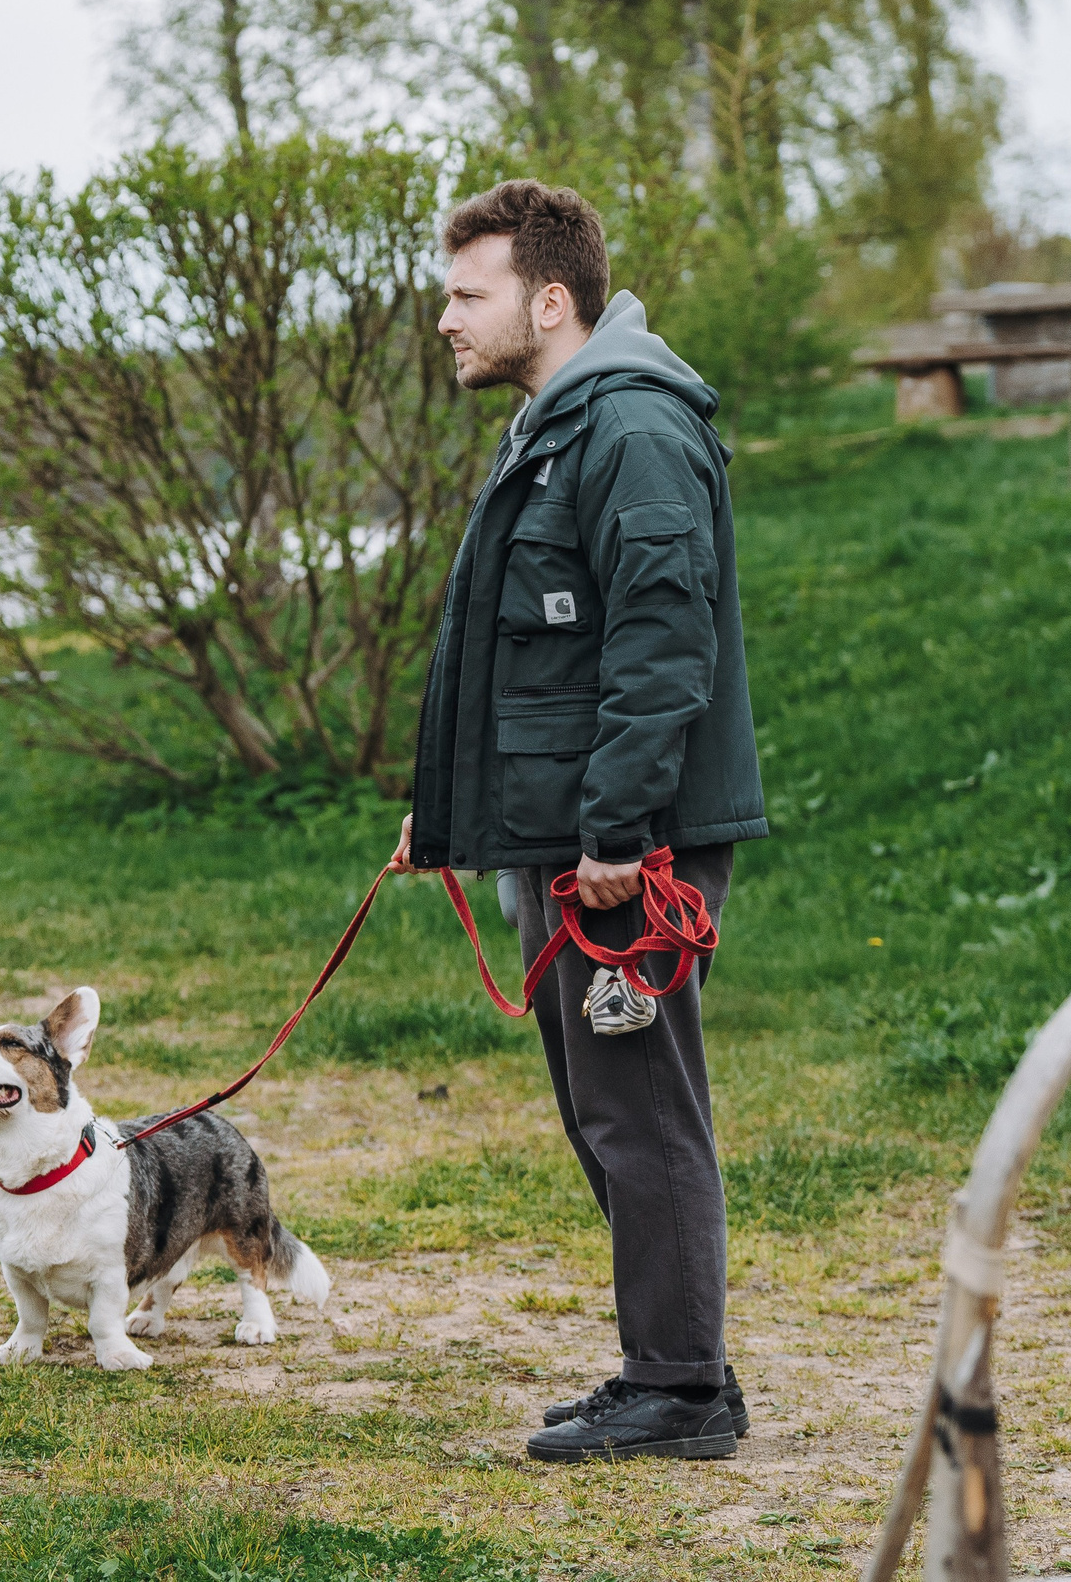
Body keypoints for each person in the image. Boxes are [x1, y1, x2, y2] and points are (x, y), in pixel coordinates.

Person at [391, 180, 767, 1462]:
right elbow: (531, 664)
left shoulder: (632, 430)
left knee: (640, 1110)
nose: (443, 319)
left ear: (549, 301)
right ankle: (668, 1370)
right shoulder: (558, 424)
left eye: (464, 294)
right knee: (606, 1107)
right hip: (570, 840)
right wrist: (448, 818)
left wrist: (615, 836)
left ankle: (678, 1389)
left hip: (627, 852)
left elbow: (663, 650)